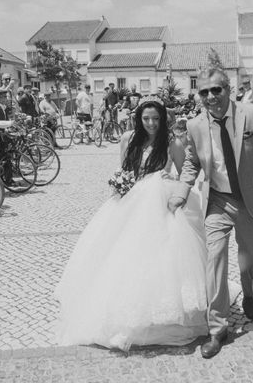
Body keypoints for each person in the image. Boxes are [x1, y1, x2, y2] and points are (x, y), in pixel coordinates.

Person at [55, 97, 208, 351]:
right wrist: (120, 184)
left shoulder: (172, 142)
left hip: (159, 198)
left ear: (163, 120)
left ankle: (164, 311)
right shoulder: (128, 138)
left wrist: (171, 182)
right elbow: (125, 168)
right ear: (139, 118)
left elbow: (185, 174)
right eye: (146, 118)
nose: (151, 123)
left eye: (156, 119)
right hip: (132, 198)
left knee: (162, 255)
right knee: (122, 251)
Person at [169, 67, 253, 359]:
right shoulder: (196, 125)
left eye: (217, 90)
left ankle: (248, 289)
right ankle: (217, 329)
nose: (211, 97)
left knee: (249, 258)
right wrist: (180, 192)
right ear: (198, 95)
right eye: (204, 92)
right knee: (214, 260)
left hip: (251, 201)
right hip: (218, 201)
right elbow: (191, 163)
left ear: (228, 88)